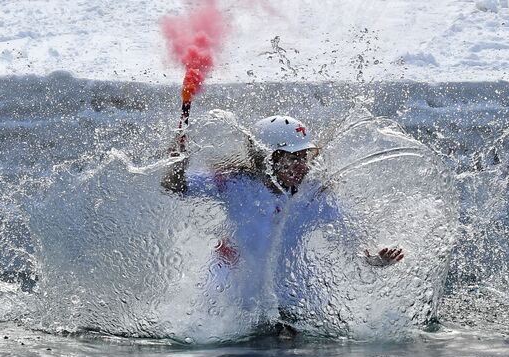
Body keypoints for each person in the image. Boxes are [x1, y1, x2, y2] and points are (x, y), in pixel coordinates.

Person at [161, 114, 404, 336]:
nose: (302, 165)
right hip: (232, 300)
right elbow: (175, 186)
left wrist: (372, 256)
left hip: (289, 303)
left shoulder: (315, 194)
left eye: (303, 157)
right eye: (292, 158)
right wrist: (178, 162)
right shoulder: (235, 183)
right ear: (267, 157)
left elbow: (350, 234)